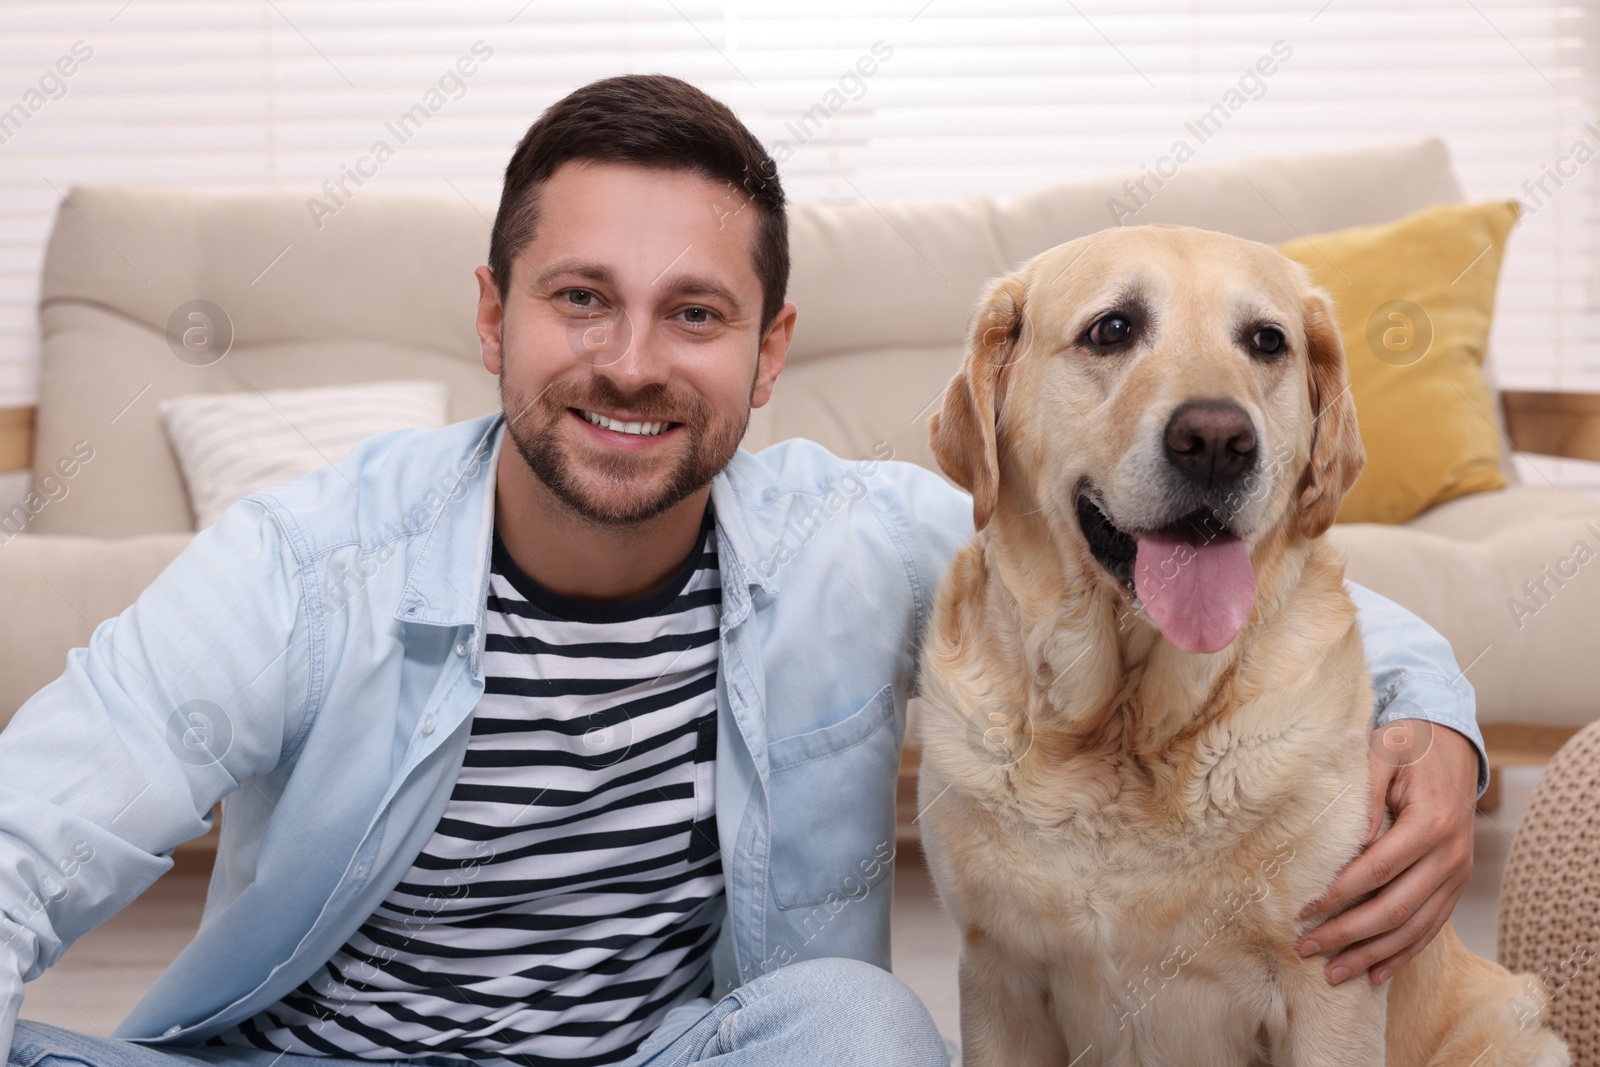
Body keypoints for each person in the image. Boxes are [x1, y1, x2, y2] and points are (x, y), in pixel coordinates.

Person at [0, 73, 1487, 1067]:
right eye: (581, 299)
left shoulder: (864, 543)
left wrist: (1433, 719)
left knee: (863, 1027)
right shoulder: (304, 562)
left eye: (695, 314)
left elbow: (1268, 582)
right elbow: (33, 827)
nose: (631, 366)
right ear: (492, 314)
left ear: (770, 352)